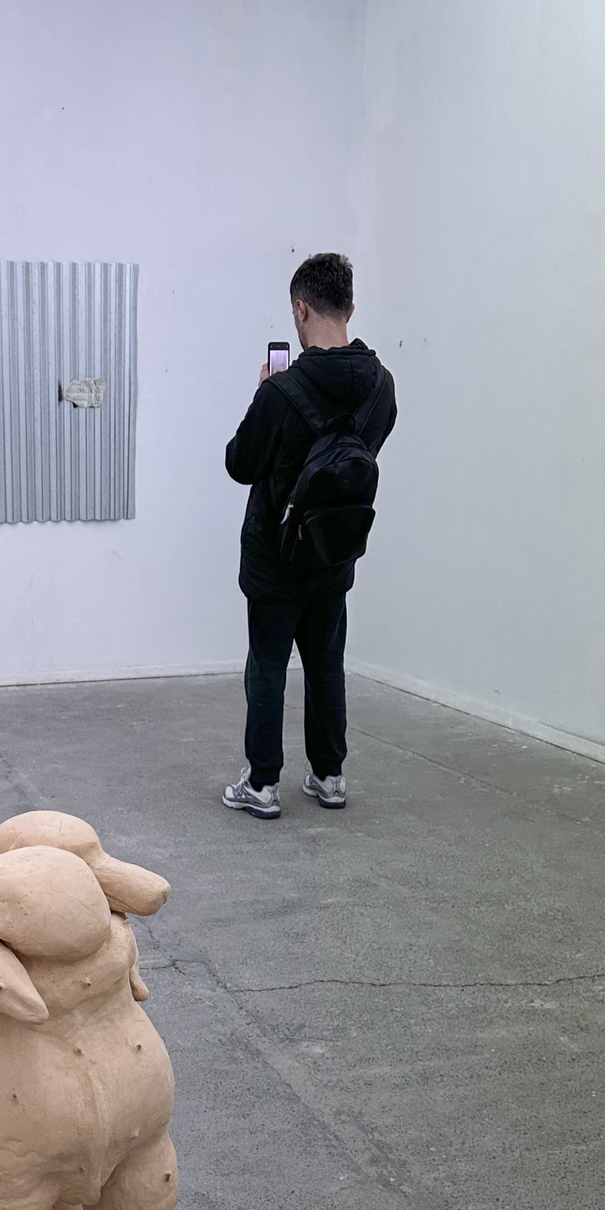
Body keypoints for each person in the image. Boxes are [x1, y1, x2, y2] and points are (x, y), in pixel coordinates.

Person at [222, 253, 397, 820]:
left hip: (275, 558)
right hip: (333, 552)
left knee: (268, 668)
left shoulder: (281, 391)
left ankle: (262, 785)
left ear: (301, 309)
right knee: (326, 667)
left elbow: (240, 464)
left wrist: (263, 395)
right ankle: (329, 776)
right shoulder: (381, 386)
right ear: (350, 307)